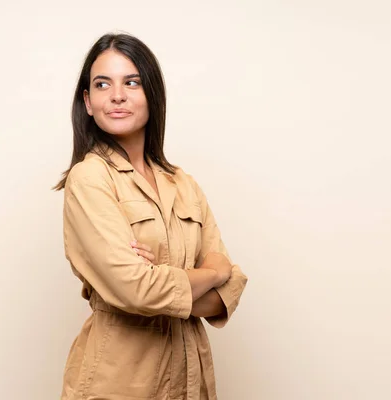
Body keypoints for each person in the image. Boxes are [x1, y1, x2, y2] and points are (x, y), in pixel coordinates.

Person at [54, 32, 248, 400]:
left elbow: (228, 292)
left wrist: (165, 276)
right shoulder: (90, 178)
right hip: (120, 382)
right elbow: (135, 288)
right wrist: (211, 273)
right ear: (88, 101)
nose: (117, 95)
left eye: (132, 82)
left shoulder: (183, 184)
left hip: (191, 380)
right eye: (102, 84)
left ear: (152, 95)